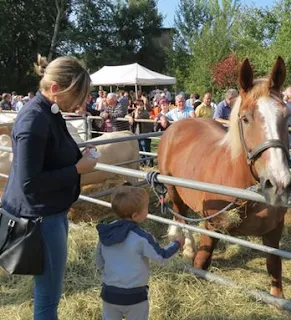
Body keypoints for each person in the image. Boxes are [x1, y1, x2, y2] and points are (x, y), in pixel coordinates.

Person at [0, 54, 97, 320]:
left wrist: (79, 157)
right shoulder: (35, 120)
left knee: (48, 292)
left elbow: (50, 156)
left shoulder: (48, 112)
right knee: (48, 298)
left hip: (49, 213)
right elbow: (30, 183)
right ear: (55, 89)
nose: (79, 103)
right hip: (41, 219)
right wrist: (78, 169)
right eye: (76, 95)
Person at [96, 186, 185, 320]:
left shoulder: (106, 233)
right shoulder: (142, 237)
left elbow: (99, 260)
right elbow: (161, 257)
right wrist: (177, 243)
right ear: (135, 216)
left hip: (110, 294)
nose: (147, 211)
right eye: (146, 208)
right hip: (135, 297)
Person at [126, 99, 154, 167]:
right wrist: (129, 117)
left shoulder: (145, 113)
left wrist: (135, 112)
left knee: (146, 148)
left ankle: (149, 163)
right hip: (137, 133)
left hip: (145, 133)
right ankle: (142, 163)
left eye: (141, 105)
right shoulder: (134, 112)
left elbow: (136, 117)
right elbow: (126, 115)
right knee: (139, 148)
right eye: (138, 105)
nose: (139, 106)